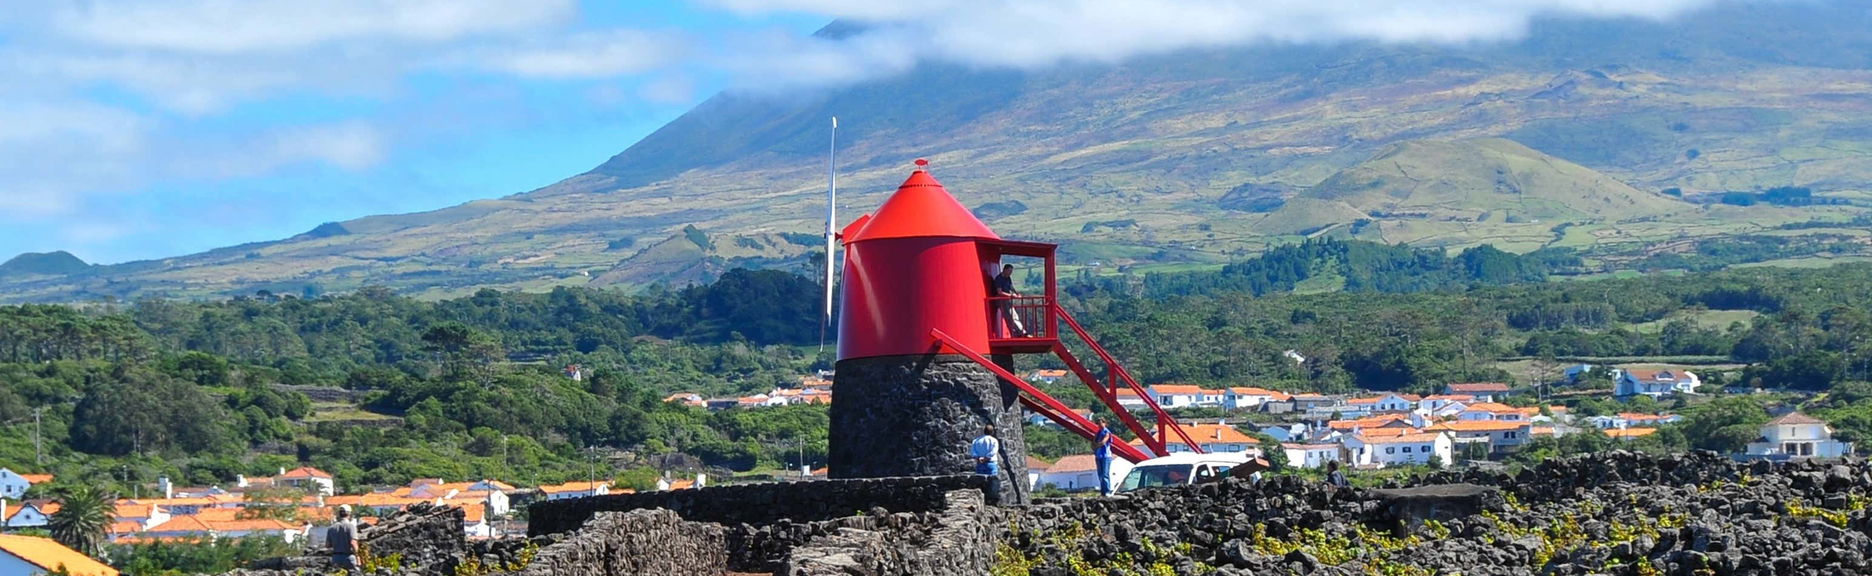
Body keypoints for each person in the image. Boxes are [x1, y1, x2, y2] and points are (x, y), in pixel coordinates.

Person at [991, 264, 1027, 337]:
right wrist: (1011, 295)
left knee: (1013, 316)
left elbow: (1011, 287)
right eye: (1009, 271)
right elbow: (999, 292)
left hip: (1007, 300)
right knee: (1010, 317)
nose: (1010, 273)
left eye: (1011, 271)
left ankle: (1018, 333)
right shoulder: (999, 278)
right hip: (1002, 300)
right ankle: (1021, 333)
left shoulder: (1008, 278)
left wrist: (1017, 293)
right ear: (1005, 270)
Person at [971, 424, 1003, 504]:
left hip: (980, 463)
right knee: (992, 482)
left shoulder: (976, 440)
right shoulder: (994, 441)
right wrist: (986, 458)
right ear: (992, 432)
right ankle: (991, 501)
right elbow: (993, 452)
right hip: (991, 463)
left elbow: (973, 452)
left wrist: (979, 458)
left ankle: (980, 500)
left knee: (980, 482)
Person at [328, 505, 360, 573]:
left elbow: (327, 545)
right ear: (349, 514)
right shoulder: (351, 526)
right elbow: (353, 543)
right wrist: (358, 557)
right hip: (348, 557)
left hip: (336, 557)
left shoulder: (331, 528)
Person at [1093, 420, 1115, 497]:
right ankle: (1103, 491)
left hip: (1106, 456)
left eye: (1101, 423)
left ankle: (1107, 491)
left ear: (1105, 423)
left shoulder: (1107, 432)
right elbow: (1093, 442)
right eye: (1098, 423)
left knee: (1105, 474)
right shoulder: (1098, 433)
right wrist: (1095, 446)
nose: (1099, 425)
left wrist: (1096, 445)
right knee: (1100, 474)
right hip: (1098, 456)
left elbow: (1103, 442)